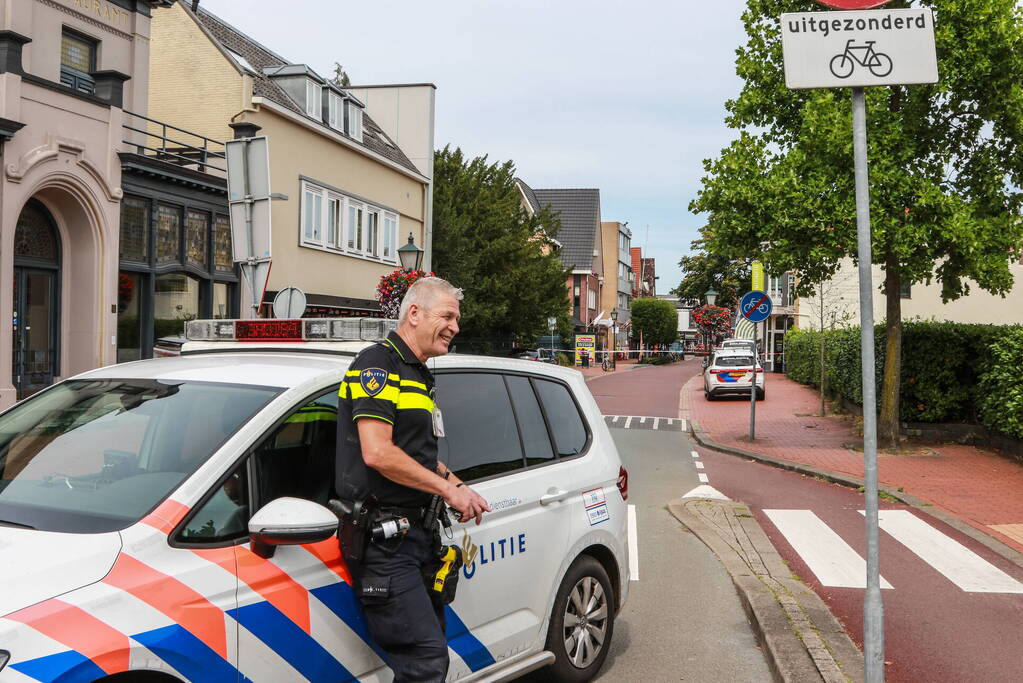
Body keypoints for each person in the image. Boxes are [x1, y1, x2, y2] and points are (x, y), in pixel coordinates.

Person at [335, 276, 491, 682]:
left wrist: (457, 486)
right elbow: (378, 452)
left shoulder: (417, 372)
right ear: (414, 313)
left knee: (430, 650)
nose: (456, 327)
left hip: (415, 537)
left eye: (457, 318)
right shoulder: (377, 365)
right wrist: (446, 490)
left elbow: (417, 455)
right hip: (385, 544)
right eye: (448, 316)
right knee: (425, 660)